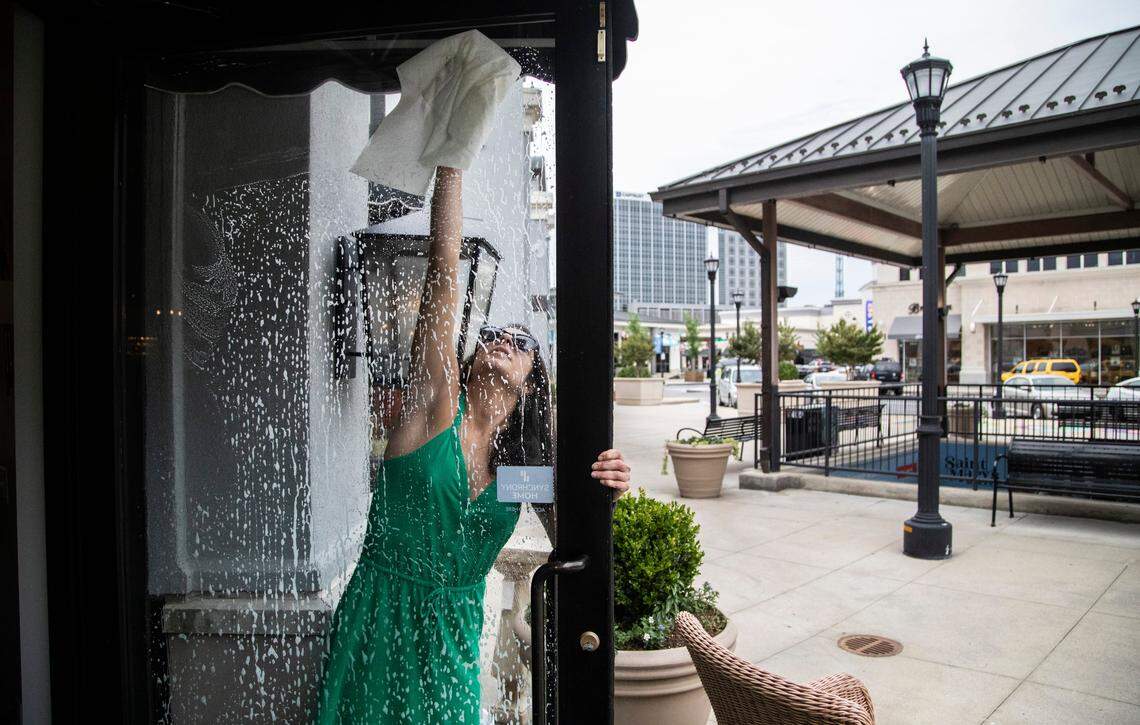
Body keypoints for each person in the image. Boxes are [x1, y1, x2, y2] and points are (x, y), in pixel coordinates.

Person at [313, 166, 630, 724]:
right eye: (493, 334)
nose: (504, 338)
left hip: (455, 634)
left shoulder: (521, 471)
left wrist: (608, 486)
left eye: (522, 340)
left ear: (533, 383)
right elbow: (443, 271)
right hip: (381, 615)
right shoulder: (435, 408)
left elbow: (574, 539)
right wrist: (452, 163)